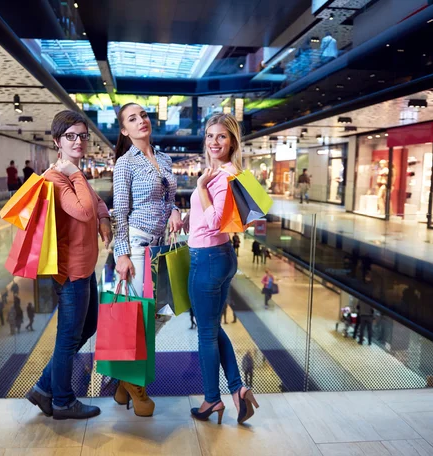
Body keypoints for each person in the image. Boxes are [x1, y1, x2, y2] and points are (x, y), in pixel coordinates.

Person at [25, 110, 112, 421]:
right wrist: (75, 174)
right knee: (68, 338)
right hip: (71, 271)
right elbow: (83, 209)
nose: (79, 141)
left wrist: (104, 217)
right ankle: (62, 401)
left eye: (82, 135)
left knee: (86, 328)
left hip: (85, 268)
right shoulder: (57, 177)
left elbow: (96, 203)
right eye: (71, 136)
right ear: (56, 140)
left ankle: (44, 389)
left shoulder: (74, 173)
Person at [184, 113, 258, 426]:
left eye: (222, 136)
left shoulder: (221, 176)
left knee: (205, 333)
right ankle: (238, 390)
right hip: (220, 255)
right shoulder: (228, 171)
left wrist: (201, 187)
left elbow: (215, 221)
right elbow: (215, 219)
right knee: (212, 327)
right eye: (211, 136)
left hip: (209, 259)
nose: (215, 142)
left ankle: (211, 400)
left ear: (232, 141)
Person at [112, 102, 182, 417]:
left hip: (162, 247)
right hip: (138, 247)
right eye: (132, 118)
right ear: (124, 130)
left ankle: (123, 380)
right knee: (136, 319)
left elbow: (170, 199)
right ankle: (135, 385)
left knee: (162, 312)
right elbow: (120, 214)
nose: (141, 120)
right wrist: (121, 254)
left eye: (143, 115)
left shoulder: (164, 158)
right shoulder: (125, 164)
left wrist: (177, 211)